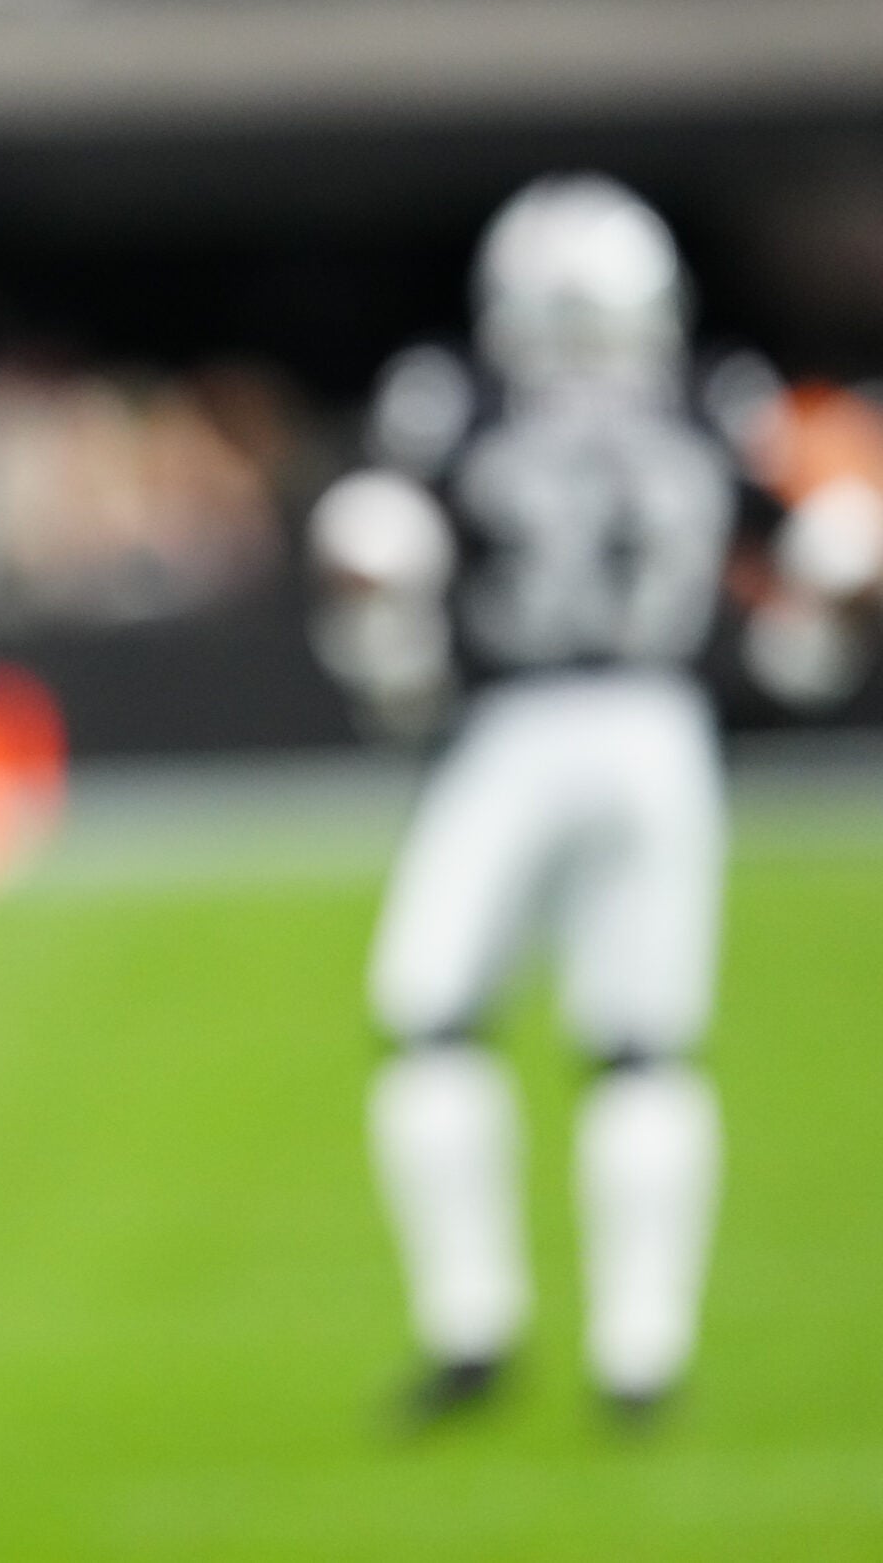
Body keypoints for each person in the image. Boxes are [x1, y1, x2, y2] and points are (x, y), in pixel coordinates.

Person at [308, 174, 770, 1420]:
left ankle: (475, 1329)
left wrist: (392, 665)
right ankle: (641, 1355)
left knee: (430, 1017)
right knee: (643, 1047)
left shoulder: (456, 393)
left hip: (516, 725)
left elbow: (379, 549)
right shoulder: (716, 395)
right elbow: (819, 558)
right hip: (661, 727)